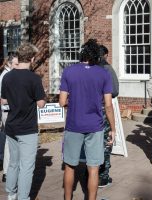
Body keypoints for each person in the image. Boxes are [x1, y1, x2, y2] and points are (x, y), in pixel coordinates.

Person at [59, 39, 116, 200]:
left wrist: (75, 100)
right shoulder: (104, 73)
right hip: (95, 126)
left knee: (70, 166)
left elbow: (62, 101)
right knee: (93, 168)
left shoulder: (68, 72)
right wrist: (113, 128)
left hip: (73, 125)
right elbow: (108, 105)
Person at [2, 43, 46, 200]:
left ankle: (11, 194)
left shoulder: (7, 77)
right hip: (27, 128)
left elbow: (3, 100)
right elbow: (41, 104)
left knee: (13, 163)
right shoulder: (34, 79)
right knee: (27, 166)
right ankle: (23, 197)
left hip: (12, 126)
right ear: (32, 58)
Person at [98, 44, 119, 188]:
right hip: (103, 111)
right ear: (105, 55)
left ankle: (90, 174)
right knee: (106, 144)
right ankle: (103, 176)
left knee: (91, 143)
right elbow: (115, 91)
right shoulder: (107, 69)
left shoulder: (86, 69)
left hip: (86, 113)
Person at [0, 53, 18, 183]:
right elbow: (4, 99)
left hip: (8, 111)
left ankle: (8, 171)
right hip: (8, 111)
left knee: (9, 141)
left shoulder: (5, 74)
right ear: (10, 63)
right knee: (9, 141)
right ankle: (7, 171)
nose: (18, 67)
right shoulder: (6, 76)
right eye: (16, 64)